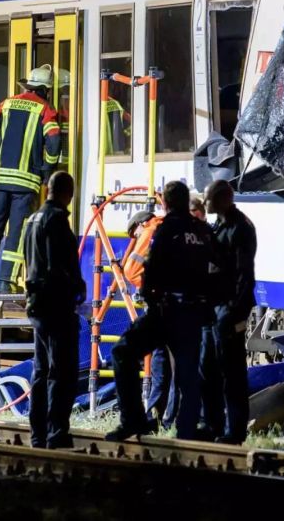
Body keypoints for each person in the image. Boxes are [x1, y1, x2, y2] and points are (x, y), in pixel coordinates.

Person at [105, 181, 213, 442]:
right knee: (188, 372)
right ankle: (188, 429)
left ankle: (133, 421)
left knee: (123, 352)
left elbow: (146, 270)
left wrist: (152, 298)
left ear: (165, 203)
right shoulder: (204, 231)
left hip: (166, 310)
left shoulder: (162, 229)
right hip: (195, 313)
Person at [0, 64, 61, 294]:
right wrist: (47, 170)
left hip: (0, 182)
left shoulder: (7, 104)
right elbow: (54, 141)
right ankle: (5, 284)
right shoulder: (46, 110)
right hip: (26, 183)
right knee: (17, 233)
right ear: (46, 90)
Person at [23, 171, 86, 449]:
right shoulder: (58, 221)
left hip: (37, 305)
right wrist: (76, 287)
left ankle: (37, 432)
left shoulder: (32, 219)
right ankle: (56, 431)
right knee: (62, 372)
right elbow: (60, 265)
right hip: (56, 305)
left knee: (41, 370)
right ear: (68, 193)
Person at [201, 180, 257, 444]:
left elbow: (244, 274)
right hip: (214, 309)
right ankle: (212, 424)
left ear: (222, 199)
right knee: (209, 368)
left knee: (232, 373)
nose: (204, 202)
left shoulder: (240, 228)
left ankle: (235, 432)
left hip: (230, 310)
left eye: (208, 198)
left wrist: (236, 312)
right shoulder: (219, 226)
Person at [123, 211, 175, 431]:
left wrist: (145, 288)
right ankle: (165, 417)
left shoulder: (151, 230)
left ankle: (159, 416)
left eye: (135, 232)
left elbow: (131, 270)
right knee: (173, 363)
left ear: (141, 223)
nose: (136, 237)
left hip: (162, 306)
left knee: (162, 361)